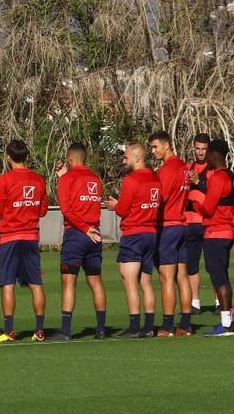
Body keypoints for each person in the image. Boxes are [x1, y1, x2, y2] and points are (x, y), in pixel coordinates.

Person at [0, 140, 48, 343]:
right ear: (27, 156)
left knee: (7, 284)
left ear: (8, 157)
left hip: (10, 238)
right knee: (36, 284)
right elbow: (43, 210)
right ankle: (39, 330)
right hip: (30, 238)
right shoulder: (38, 179)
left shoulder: (5, 180)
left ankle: (9, 331)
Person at [50, 142, 107, 341]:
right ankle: (101, 329)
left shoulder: (67, 179)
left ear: (70, 158)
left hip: (77, 234)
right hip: (95, 234)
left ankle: (65, 330)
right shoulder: (95, 179)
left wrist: (83, 228)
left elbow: (68, 210)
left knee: (68, 282)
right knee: (96, 281)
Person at [105, 143, 161, 339]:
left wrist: (114, 205)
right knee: (146, 281)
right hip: (151, 233)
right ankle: (148, 326)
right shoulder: (155, 179)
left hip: (134, 233)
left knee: (129, 281)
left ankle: (134, 326)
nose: (124, 160)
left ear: (137, 158)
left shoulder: (131, 180)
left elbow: (123, 209)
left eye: (126, 157)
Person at [148, 132, 193, 336]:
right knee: (182, 276)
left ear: (167, 146)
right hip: (183, 225)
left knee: (167, 277)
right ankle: (185, 324)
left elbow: (159, 199)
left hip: (168, 226)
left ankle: (167, 326)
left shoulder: (166, 170)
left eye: (156, 146)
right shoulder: (183, 168)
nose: (153, 151)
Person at [192, 139, 234, 337]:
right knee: (222, 276)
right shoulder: (231, 175)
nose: (206, 157)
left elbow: (208, 208)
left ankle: (226, 324)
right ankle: (227, 321)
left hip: (216, 232)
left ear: (214, 155)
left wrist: (196, 203)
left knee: (219, 277)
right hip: (225, 231)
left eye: (209, 153)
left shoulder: (218, 178)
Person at [184, 133, 211, 313]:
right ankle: (195, 302)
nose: (200, 152)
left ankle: (219, 302)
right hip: (190, 222)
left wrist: (198, 182)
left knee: (213, 264)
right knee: (191, 264)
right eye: (198, 149)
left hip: (208, 222)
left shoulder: (214, 170)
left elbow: (216, 192)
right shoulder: (187, 167)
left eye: (204, 149)